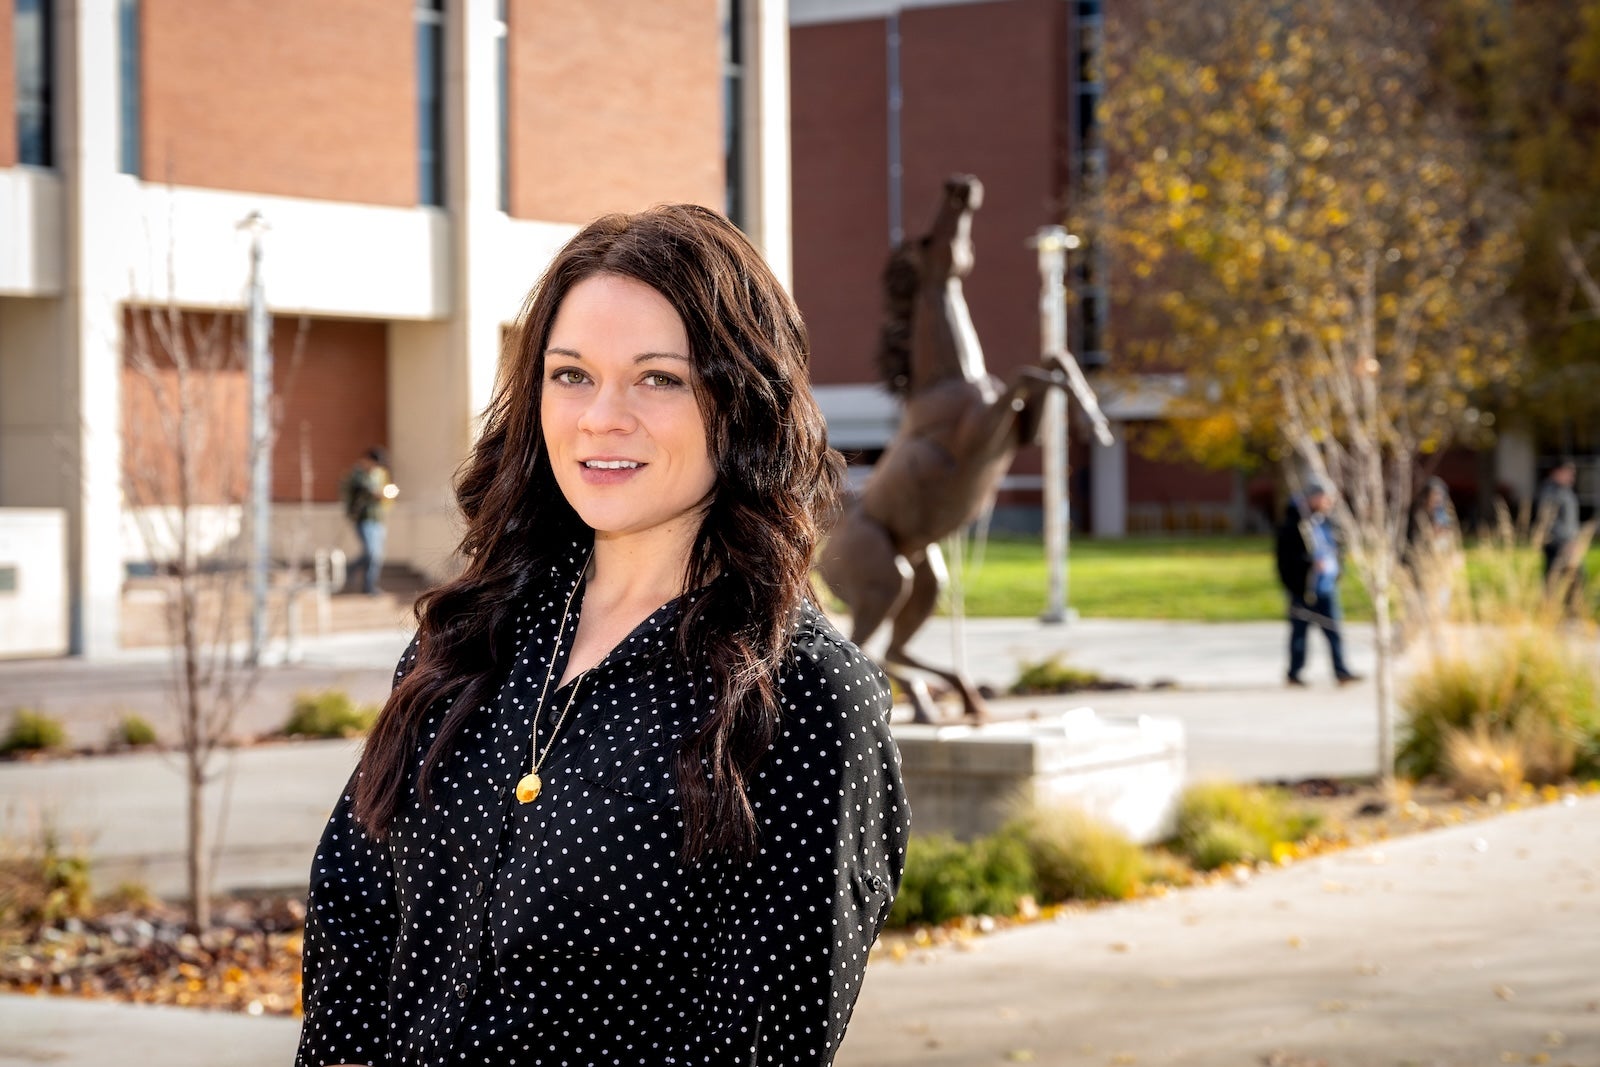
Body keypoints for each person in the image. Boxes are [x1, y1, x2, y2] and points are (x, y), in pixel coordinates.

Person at [297, 205, 909, 1067]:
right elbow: (353, 908)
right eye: (571, 374)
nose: (600, 417)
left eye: (658, 378)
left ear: (740, 399)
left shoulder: (804, 696)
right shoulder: (471, 636)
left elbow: (764, 1043)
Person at [1275, 479, 1361, 687]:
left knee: (1334, 630)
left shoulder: (1328, 521)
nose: (1329, 501)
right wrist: (1310, 564)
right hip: (1303, 587)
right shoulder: (1294, 523)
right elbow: (1285, 559)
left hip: (1326, 586)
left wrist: (1337, 566)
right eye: (1325, 497)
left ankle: (1341, 671)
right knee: (1299, 632)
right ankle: (1294, 673)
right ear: (1313, 497)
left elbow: (1337, 547)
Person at [339, 446, 397, 595]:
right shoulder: (357, 474)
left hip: (378, 518)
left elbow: (384, 491)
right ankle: (364, 582)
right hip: (363, 519)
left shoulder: (378, 474)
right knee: (372, 553)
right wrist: (380, 493)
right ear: (366, 460)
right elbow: (366, 490)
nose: (374, 467)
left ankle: (365, 584)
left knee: (376, 555)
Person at [1536, 457, 1581, 587]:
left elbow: (1570, 519)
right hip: (1557, 544)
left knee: (1574, 580)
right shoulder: (1549, 491)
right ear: (1557, 472)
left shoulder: (1566, 491)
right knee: (1555, 579)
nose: (1572, 476)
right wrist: (1566, 542)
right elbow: (1548, 520)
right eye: (1569, 472)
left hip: (1569, 543)